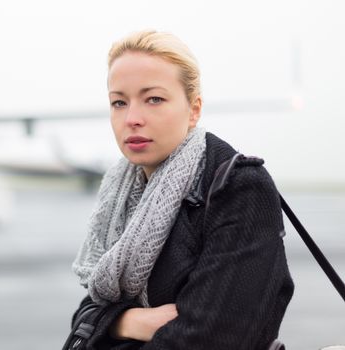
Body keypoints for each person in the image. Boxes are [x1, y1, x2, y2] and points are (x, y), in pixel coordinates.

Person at [69, 30, 294, 349]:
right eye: (119, 102)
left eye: (154, 99)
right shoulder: (119, 195)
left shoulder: (238, 188)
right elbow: (85, 313)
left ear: (194, 110)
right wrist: (127, 321)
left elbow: (212, 338)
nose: (132, 118)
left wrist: (107, 325)